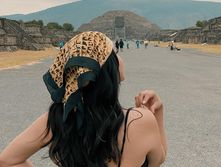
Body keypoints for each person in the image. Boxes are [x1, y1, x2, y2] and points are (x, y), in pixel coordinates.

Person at [0, 31, 167, 167]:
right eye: (114, 52)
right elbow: (158, 159)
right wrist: (157, 113)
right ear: (107, 68)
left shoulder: (59, 118)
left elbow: (6, 161)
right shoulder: (141, 120)